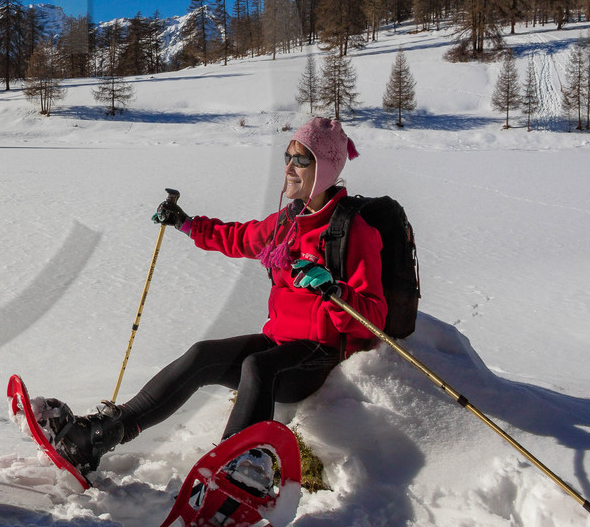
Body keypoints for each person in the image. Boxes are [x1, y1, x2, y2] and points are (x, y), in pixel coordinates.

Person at [47, 116, 388, 479]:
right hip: (279, 340)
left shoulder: (351, 231)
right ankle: (100, 436)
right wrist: (186, 223)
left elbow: (374, 316)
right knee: (202, 355)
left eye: (301, 159)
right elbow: (239, 237)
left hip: (318, 354)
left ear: (324, 167)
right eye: (287, 156)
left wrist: (334, 292)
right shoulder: (288, 221)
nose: (289, 166)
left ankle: (240, 469)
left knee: (258, 366)